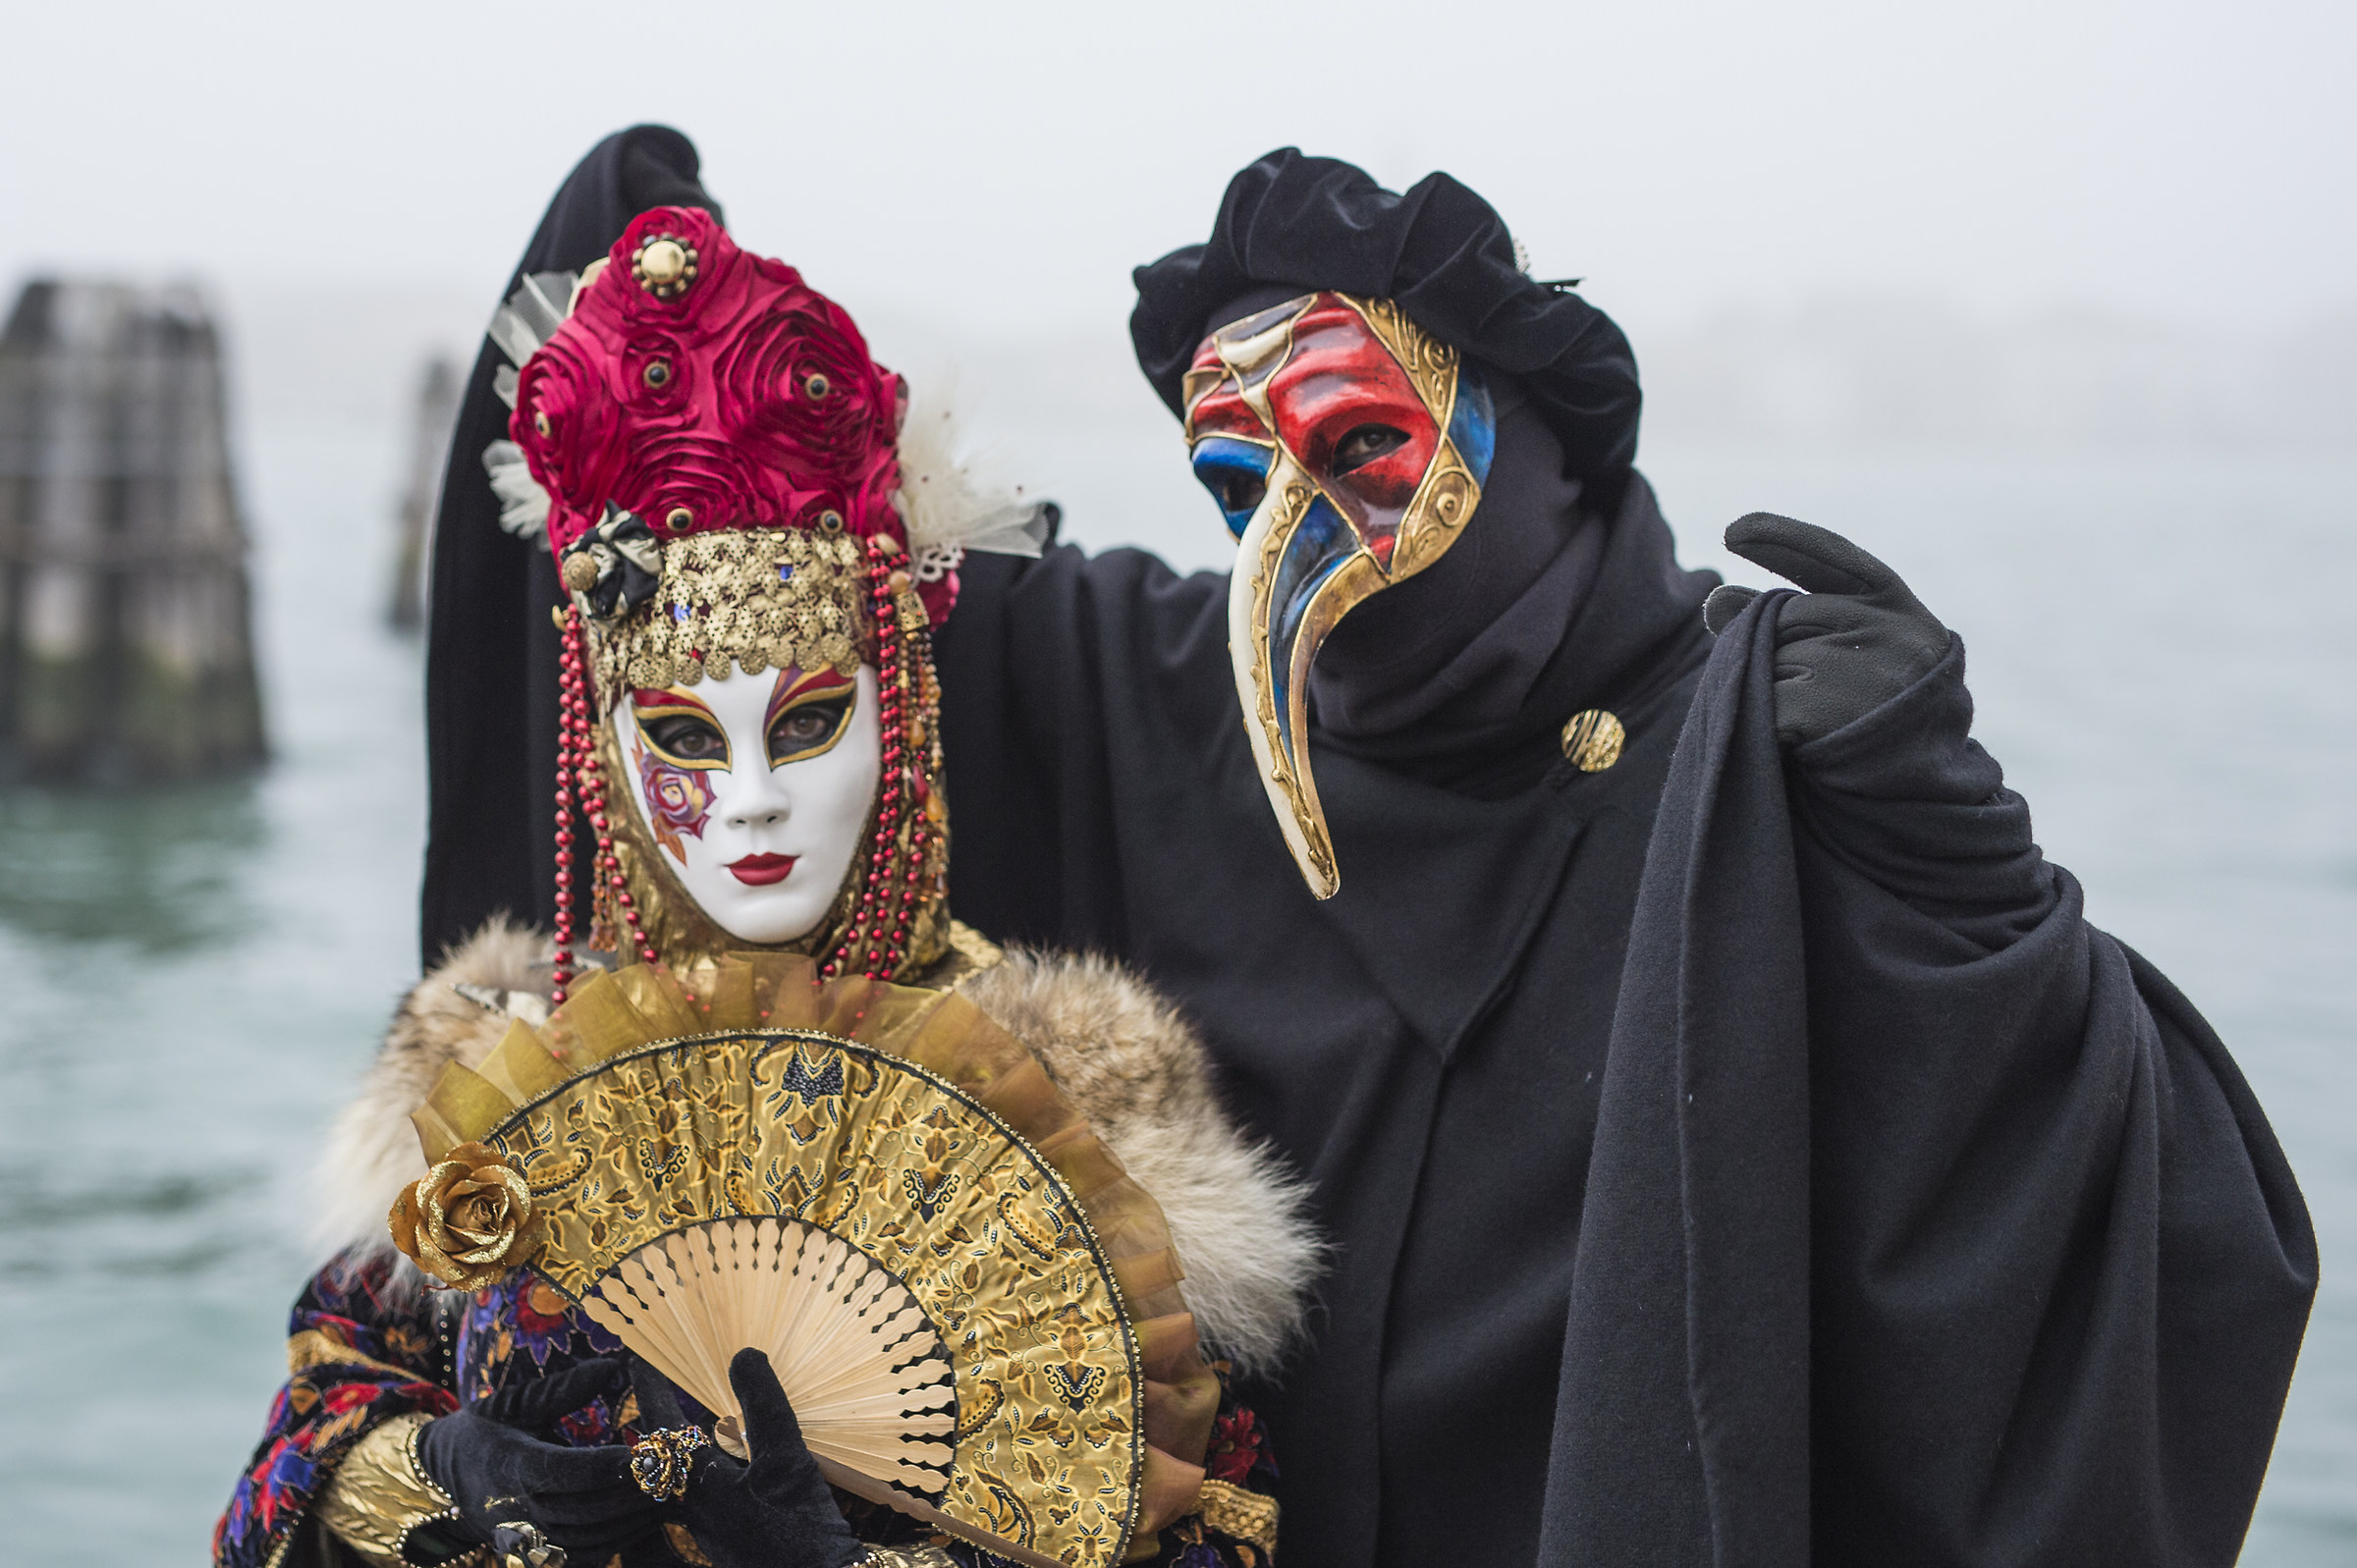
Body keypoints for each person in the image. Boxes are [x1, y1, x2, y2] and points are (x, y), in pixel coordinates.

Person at [922, 149, 2320, 1567]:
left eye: (1357, 448)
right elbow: (854, 603)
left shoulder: (1753, 755)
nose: (1293, 539)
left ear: (1535, 434)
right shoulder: (1161, 704)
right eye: (1239, 487)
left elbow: (2158, 1239)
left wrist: (1958, 887)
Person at [213, 130, 1315, 1568]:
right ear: (602, 750)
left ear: (899, 712)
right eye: (681, 738)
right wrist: (438, 1471)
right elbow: (283, 1476)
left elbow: (1220, 1529)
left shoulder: (1079, 1091)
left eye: (803, 727)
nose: (747, 803)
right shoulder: (491, 1057)